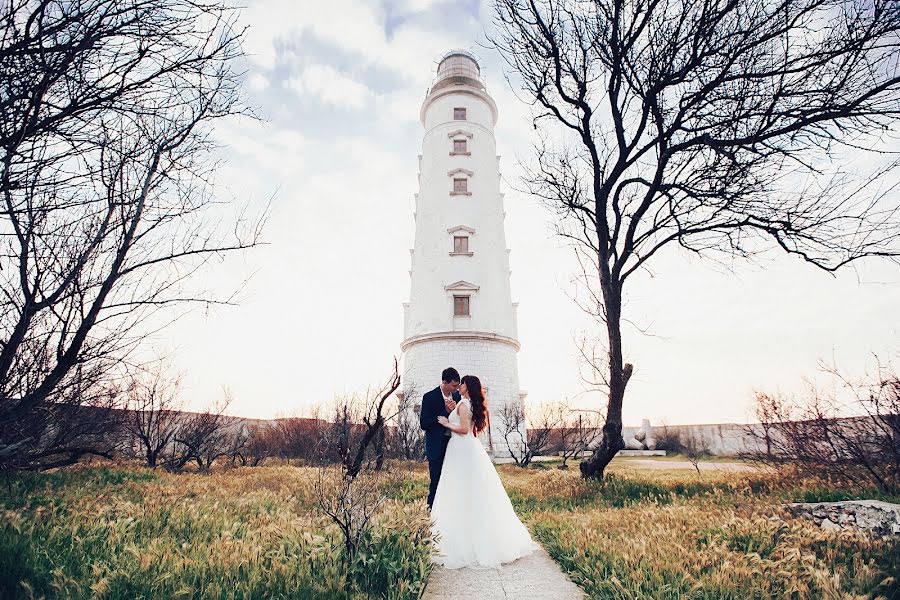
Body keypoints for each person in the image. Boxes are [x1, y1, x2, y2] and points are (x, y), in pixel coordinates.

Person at [430, 375, 538, 569]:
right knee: (472, 490)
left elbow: (463, 429)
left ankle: (463, 541)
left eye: (461, 383)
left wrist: (447, 423)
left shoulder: (464, 404)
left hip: (460, 448)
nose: (459, 386)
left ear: (466, 387)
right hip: (467, 448)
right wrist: (452, 410)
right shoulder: (466, 404)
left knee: (459, 488)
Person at [420, 367, 461, 509]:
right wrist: (445, 411)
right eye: (454, 385)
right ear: (445, 382)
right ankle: (432, 510)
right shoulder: (429, 397)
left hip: (454, 444)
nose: (456, 389)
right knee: (436, 479)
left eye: (458, 386)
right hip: (436, 446)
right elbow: (424, 423)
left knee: (452, 480)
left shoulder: (457, 397)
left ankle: (448, 510)